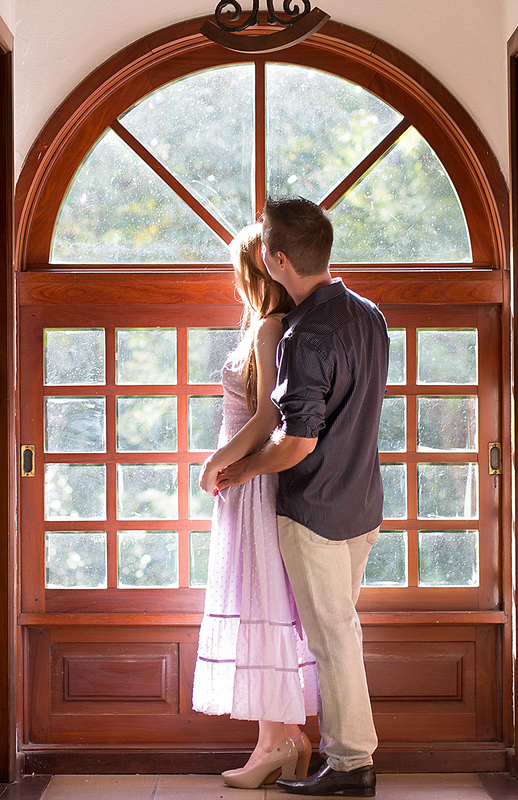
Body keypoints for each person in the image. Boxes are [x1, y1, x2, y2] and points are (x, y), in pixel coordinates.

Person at [216, 197, 389, 798]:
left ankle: (351, 767)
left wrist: (237, 472)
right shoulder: (369, 314)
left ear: (277, 259)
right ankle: (349, 760)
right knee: (341, 632)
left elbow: (297, 442)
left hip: (315, 509)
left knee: (331, 638)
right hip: (362, 504)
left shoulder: (303, 333)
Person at [191, 224, 318, 790]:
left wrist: (214, 460)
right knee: (258, 600)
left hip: (256, 484)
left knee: (262, 598)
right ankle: (282, 737)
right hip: (246, 485)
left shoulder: (270, 327)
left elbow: (269, 417)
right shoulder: (265, 327)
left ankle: (279, 739)